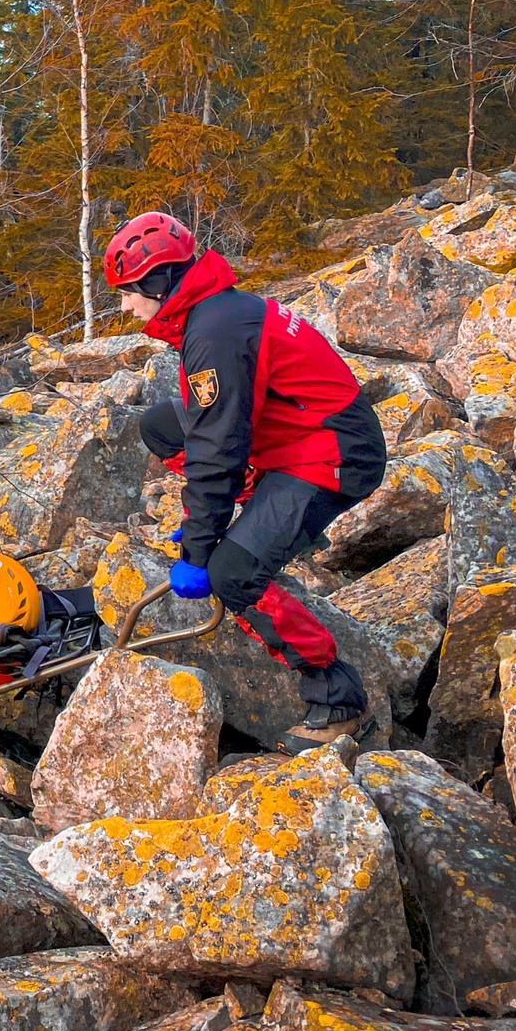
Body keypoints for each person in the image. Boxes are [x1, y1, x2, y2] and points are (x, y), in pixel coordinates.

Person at [105, 210, 386, 753]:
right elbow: (215, 429)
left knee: (232, 574)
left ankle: (336, 696)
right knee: (160, 426)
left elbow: (218, 449)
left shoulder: (213, 331)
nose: (125, 305)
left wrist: (199, 547)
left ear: (159, 281)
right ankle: (262, 512)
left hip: (333, 453)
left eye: (129, 292)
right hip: (296, 431)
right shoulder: (216, 312)